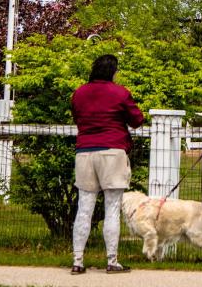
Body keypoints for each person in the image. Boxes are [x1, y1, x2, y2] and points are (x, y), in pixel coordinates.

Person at [70, 53, 145, 275]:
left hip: (84, 152)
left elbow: (77, 117)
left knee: (84, 209)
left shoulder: (79, 93)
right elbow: (137, 120)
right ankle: (112, 261)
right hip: (112, 151)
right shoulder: (119, 93)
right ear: (112, 71)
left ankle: (78, 261)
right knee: (112, 208)